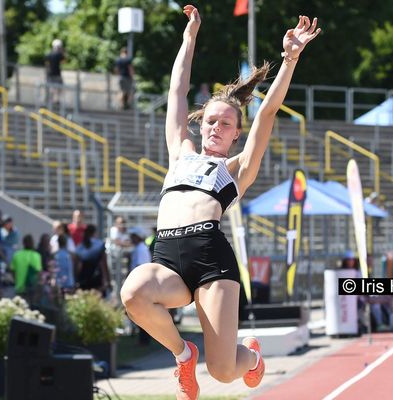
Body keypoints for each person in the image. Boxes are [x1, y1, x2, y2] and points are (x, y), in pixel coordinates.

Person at [120, 6, 320, 399]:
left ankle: (252, 359)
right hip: (167, 256)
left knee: (225, 371)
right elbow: (177, 89)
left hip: (211, 257)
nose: (216, 126)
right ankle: (182, 355)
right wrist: (189, 37)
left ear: (235, 134)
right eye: (211, 120)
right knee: (133, 293)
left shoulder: (237, 168)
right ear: (201, 122)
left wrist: (290, 58)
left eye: (226, 123)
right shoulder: (180, 152)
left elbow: (268, 111)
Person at [76, 224, 111, 295]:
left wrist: (76, 280)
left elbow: (78, 266)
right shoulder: (100, 244)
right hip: (96, 279)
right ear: (94, 233)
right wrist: (108, 280)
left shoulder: (79, 247)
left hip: (83, 279)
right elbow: (104, 264)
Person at [10, 234, 42, 299]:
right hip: (32, 288)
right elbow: (39, 273)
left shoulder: (16, 255)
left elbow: (12, 271)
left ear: (23, 243)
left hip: (19, 288)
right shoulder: (36, 255)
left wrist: (17, 281)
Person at [45, 39, 66, 107]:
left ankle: (50, 100)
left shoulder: (49, 54)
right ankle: (56, 100)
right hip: (57, 74)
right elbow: (64, 62)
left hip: (49, 74)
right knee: (59, 87)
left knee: (51, 87)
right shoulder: (59, 54)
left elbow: (47, 64)